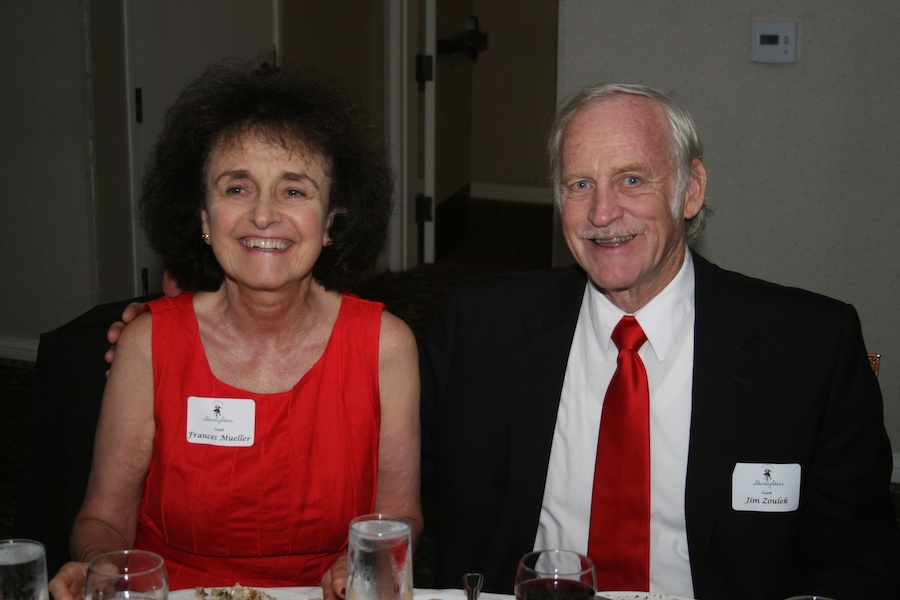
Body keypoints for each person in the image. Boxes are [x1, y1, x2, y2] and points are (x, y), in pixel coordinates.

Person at [420, 83, 900, 599]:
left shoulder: (809, 346)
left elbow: (858, 553)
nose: (602, 213)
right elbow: (405, 498)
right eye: (579, 184)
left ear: (691, 191)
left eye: (631, 179)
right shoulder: (479, 325)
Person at [48, 61, 422, 600]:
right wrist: (98, 564)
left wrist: (365, 564)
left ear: (333, 219)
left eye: (294, 191)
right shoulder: (148, 343)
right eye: (238, 188)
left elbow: (402, 514)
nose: (264, 216)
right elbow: (101, 521)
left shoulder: (386, 345)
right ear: (203, 215)